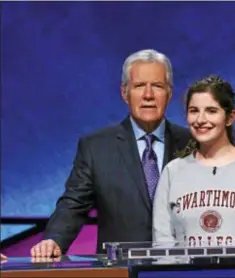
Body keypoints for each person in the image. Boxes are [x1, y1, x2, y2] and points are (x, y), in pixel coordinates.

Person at [30, 49, 191, 257]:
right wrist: (53, 240)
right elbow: (74, 204)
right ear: (124, 93)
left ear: (169, 93)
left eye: (157, 86)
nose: (148, 95)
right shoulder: (96, 147)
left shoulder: (192, 144)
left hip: (181, 269)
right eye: (139, 86)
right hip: (120, 269)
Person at [153, 75, 235, 248]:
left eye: (211, 111)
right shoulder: (172, 173)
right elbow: (162, 244)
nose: (200, 120)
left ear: (230, 117)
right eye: (194, 111)